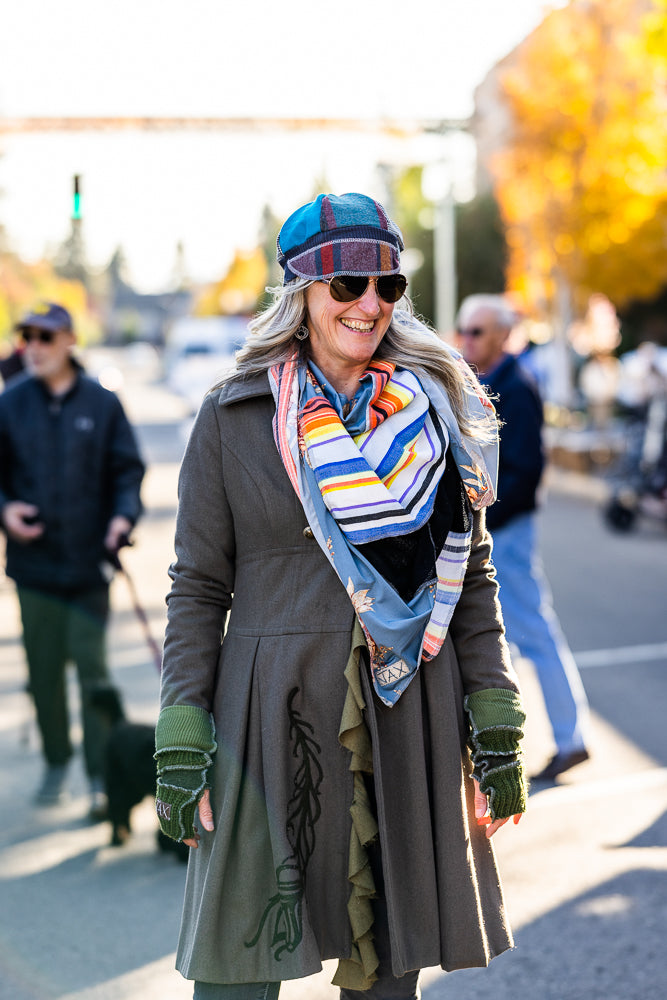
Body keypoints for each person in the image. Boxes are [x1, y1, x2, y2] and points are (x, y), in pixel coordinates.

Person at [155, 194, 528, 1000]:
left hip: (405, 715)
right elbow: (197, 585)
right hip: (267, 714)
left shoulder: (434, 416)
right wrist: (183, 729)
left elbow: (470, 583)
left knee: (389, 977)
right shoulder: (232, 416)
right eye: (347, 285)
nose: (369, 304)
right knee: (237, 972)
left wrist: (493, 719)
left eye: (386, 286)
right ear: (300, 295)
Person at [0, 302, 145, 815]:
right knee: (43, 673)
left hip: (88, 568)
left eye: (44, 337)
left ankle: (102, 777)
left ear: (68, 341)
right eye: (27, 337)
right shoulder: (10, 403)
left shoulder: (101, 404)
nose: (33, 347)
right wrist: (6, 511)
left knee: (92, 674)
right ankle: (56, 760)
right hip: (33, 570)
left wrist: (122, 519)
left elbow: (127, 471)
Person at [456, 294, 591, 782]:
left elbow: (527, 469)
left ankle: (570, 737)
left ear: (503, 335)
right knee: (506, 637)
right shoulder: (487, 382)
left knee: (530, 631)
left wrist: (484, 512)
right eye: (463, 331)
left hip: (507, 530)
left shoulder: (515, 387)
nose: (467, 340)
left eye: (478, 332)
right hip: (499, 527)